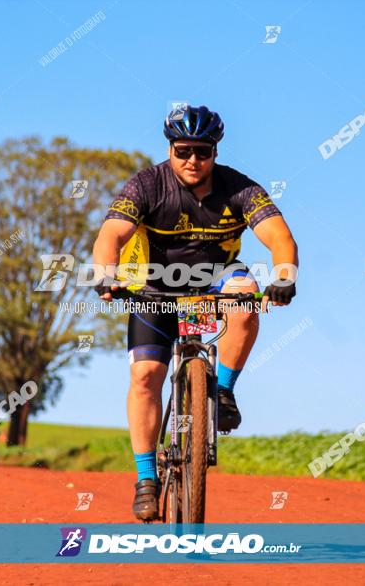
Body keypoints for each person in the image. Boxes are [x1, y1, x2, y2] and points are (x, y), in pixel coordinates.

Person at [91, 105, 299, 521]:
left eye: (202, 151)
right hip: (154, 289)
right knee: (146, 376)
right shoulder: (147, 184)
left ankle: (221, 390)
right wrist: (105, 274)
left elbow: (279, 235)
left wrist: (285, 275)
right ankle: (147, 479)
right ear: (170, 148)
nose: (192, 160)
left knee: (246, 296)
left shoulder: (240, 189)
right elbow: (111, 234)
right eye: (183, 150)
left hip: (213, 284)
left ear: (215, 151)